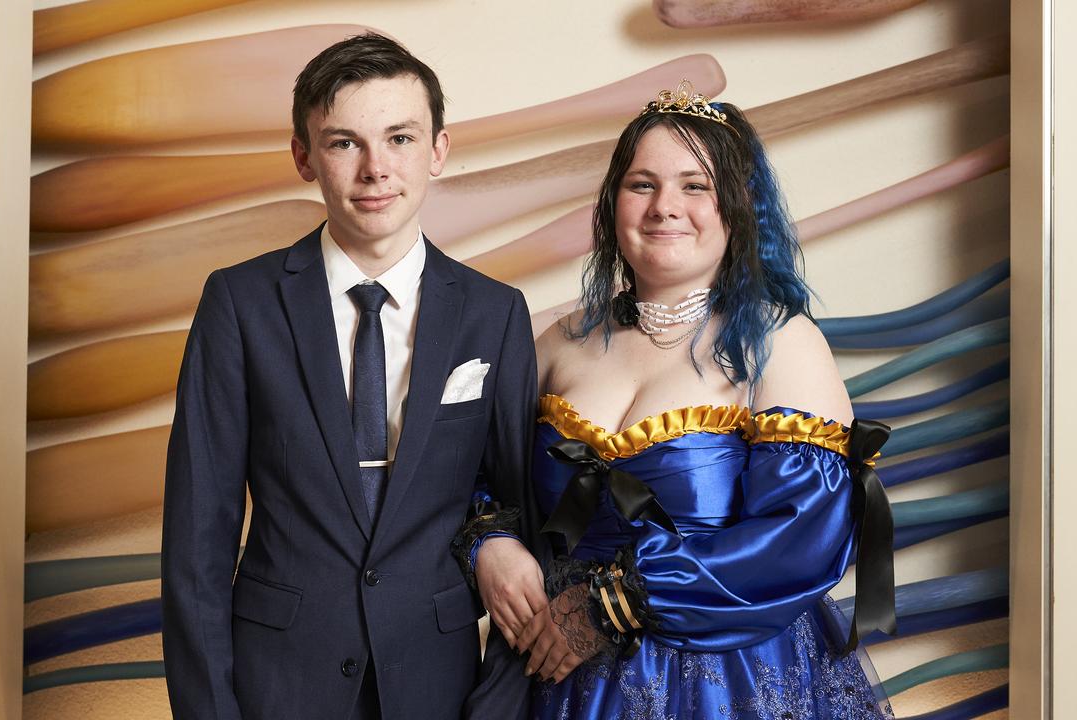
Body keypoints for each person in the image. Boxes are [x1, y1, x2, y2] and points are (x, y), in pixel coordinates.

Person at [160, 33, 547, 720]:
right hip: (275, 685)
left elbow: (529, 526)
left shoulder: (495, 314)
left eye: (399, 139)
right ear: (304, 158)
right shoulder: (239, 304)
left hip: (441, 687)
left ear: (438, 152)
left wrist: (497, 707)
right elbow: (197, 545)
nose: (376, 169)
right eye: (344, 143)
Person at [521, 82, 898, 719]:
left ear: (738, 205)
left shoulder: (782, 341)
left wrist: (617, 603)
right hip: (559, 672)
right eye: (642, 184)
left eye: (695, 185)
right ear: (614, 202)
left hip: (725, 683)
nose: (665, 206)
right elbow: (487, 484)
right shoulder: (559, 340)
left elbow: (801, 540)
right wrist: (492, 548)